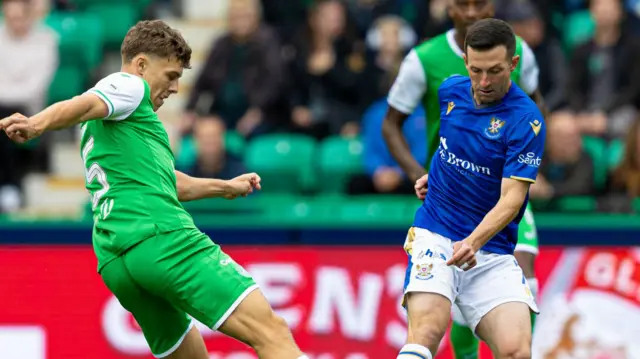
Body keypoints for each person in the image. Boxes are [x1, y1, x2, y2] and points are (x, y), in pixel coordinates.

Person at [0, 20, 307, 359]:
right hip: (162, 237)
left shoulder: (116, 124)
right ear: (142, 64)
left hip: (117, 260)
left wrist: (224, 187)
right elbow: (84, 102)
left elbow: (169, 182)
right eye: (172, 75)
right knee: (271, 330)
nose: (175, 88)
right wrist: (36, 123)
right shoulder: (128, 85)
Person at [381, 1, 543, 357]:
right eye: (476, 70)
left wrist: (474, 240)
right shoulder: (450, 90)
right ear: (466, 63)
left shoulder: (526, 121)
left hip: (491, 247)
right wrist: (430, 176)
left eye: (495, 72)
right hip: (436, 234)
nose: (483, 83)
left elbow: (513, 199)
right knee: (426, 331)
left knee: (517, 350)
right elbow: (449, 142)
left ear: (513, 64)